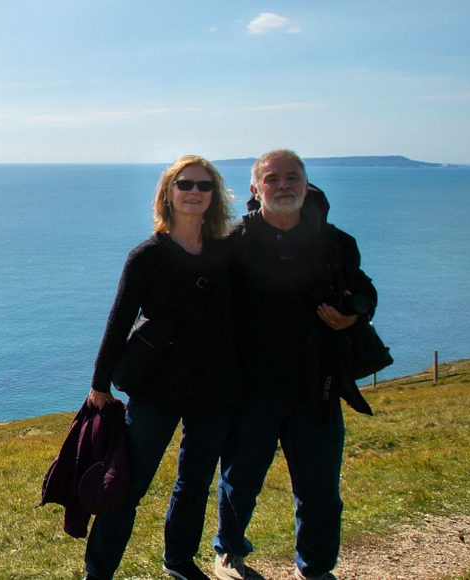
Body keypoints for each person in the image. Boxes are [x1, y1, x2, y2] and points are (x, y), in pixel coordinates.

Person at [212, 149, 376, 580]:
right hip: (251, 388)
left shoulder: (337, 243)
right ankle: (228, 553)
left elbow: (365, 290)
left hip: (316, 385)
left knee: (320, 488)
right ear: (255, 189)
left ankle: (316, 567)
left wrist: (355, 314)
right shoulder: (233, 242)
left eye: (291, 177)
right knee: (238, 481)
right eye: (272, 179)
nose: (283, 185)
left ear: (307, 184)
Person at [83, 155, 240, 580]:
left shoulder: (227, 252)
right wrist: (99, 385)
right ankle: (98, 573)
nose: (194, 192)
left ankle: (179, 562)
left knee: (194, 483)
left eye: (204, 186)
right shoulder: (147, 256)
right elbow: (118, 321)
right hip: (156, 388)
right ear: (167, 194)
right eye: (184, 184)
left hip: (214, 387)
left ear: (213, 196)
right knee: (128, 486)